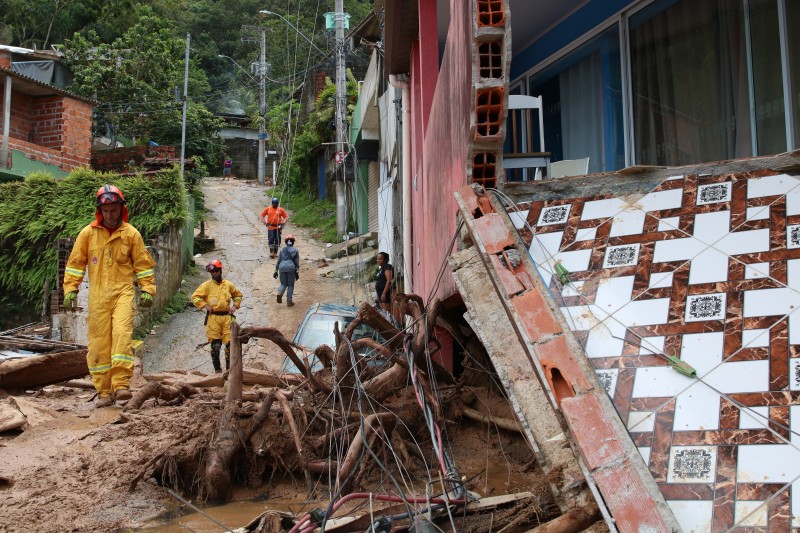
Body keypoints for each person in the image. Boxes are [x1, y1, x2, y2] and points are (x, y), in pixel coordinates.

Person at [63, 184, 156, 408]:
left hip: (123, 292)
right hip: (97, 296)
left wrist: (147, 289)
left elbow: (143, 266)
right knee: (98, 344)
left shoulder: (131, 234)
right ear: (99, 211)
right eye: (105, 210)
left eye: (113, 209)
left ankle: (121, 385)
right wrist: (70, 289)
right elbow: (75, 264)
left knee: (122, 335)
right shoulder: (88, 234)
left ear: (121, 209)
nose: (109, 214)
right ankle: (103, 391)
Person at [191, 259, 242, 373]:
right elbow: (195, 297)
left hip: (227, 318)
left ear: (220, 270)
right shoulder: (206, 286)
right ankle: (218, 370)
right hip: (213, 318)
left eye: (216, 271)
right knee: (215, 346)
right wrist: (204, 305)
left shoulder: (228, 285)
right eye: (212, 273)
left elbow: (237, 295)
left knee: (230, 346)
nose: (214, 274)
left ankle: (230, 371)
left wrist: (235, 306)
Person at [274, 234, 299, 307]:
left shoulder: (282, 249)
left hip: (282, 267)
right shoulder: (296, 250)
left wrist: (276, 270)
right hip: (291, 268)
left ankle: (280, 293)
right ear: (293, 242)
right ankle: (289, 302)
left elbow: (278, 261)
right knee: (290, 285)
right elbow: (297, 263)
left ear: (285, 242)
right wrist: (297, 272)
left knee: (283, 284)